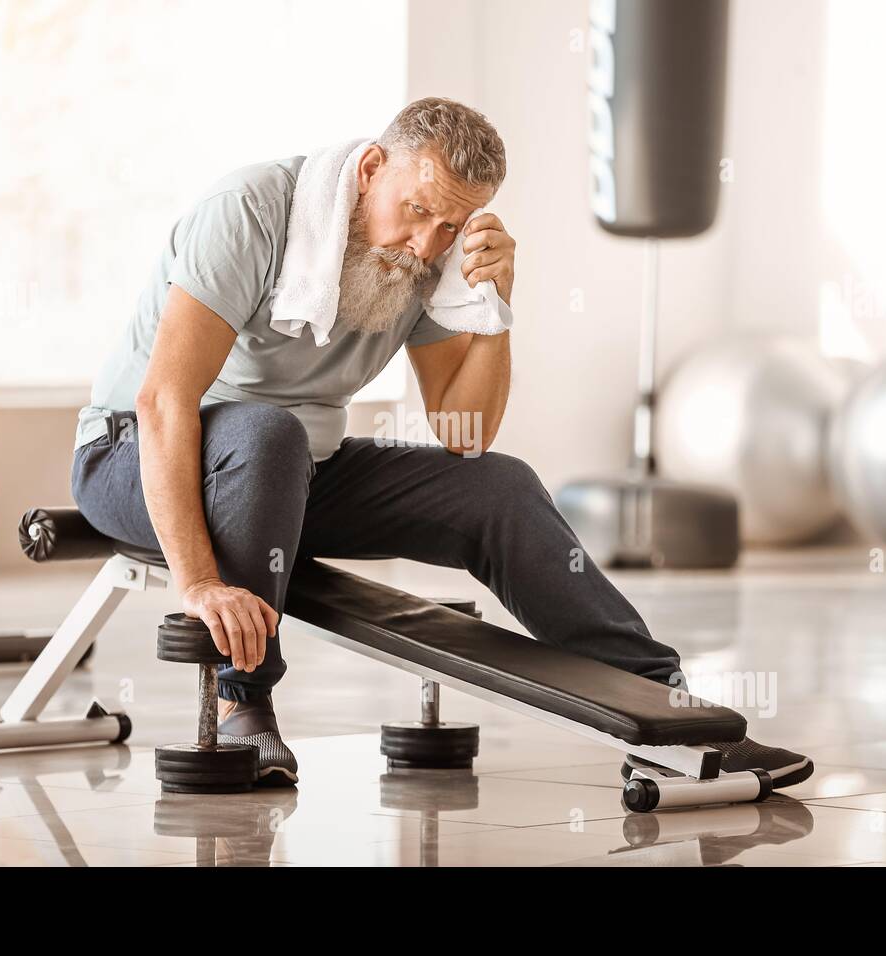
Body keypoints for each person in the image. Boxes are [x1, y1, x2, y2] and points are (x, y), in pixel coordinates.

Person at [71, 96, 813, 789]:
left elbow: (465, 434)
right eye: (417, 209)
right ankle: (245, 705)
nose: (427, 242)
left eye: (452, 225)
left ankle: (674, 714)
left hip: (288, 468)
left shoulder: (422, 264)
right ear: (370, 171)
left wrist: (494, 310)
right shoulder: (252, 212)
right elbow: (164, 400)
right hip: (135, 455)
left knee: (501, 484)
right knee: (270, 434)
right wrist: (200, 583)